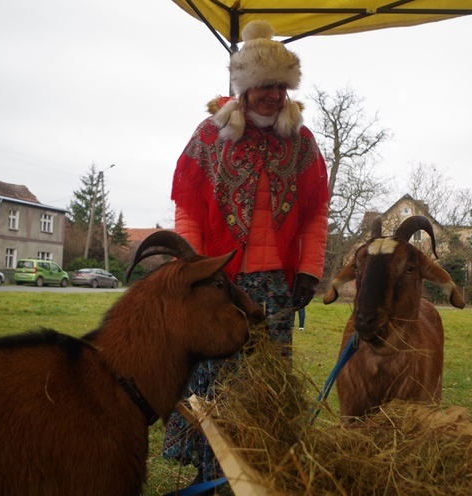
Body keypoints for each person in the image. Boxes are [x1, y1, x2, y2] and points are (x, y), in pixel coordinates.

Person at [162, 19, 329, 487]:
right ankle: (211, 472)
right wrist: (193, 269)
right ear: (244, 86)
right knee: (214, 378)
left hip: (275, 286)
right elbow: (189, 208)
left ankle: (261, 466)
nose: (271, 95)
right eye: (262, 85)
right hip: (219, 283)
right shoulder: (210, 136)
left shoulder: (301, 142)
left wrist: (310, 271)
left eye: (279, 85)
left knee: (267, 382)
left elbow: (316, 213)